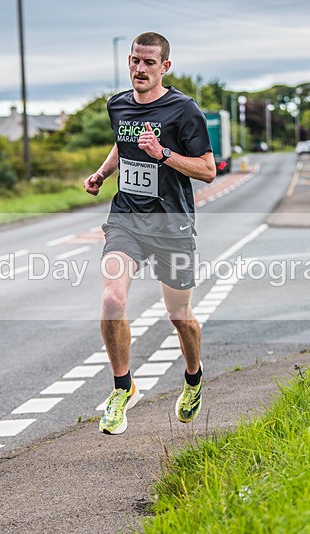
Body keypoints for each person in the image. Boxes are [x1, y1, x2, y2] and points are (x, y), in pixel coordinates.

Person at [84, 32, 216, 435]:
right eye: (135, 61)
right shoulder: (118, 105)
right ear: (129, 62)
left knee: (179, 317)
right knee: (112, 297)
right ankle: (123, 388)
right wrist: (104, 174)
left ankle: (193, 379)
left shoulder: (184, 110)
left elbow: (209, 170)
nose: (140, 69)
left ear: (165, 67)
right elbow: (121, 144)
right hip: (126, 218)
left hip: (171, 225)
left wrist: (164, 155)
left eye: (149, 63)